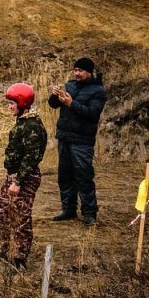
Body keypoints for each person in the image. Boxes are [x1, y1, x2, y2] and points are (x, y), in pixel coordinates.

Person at [0, 83, 47, 271]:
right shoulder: (23, 121)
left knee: (20, 219)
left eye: (12, 103)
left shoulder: (32, 126)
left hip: (24, 177)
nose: (9, 106)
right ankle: (0, 251)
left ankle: (20, 261)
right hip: (14, 176)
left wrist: (18, 182)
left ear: (22, 103)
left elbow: (32, 157)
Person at [48, 58, 107, 226]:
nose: (77, 73)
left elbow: (92, 114)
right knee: (65, 174)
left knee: (84, 176)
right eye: (75, 70)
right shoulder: (70, 85)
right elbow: (53, 105)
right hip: (65, 137)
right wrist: (55, 95)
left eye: (80, 71)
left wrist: (72, 104)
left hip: (82, 140)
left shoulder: (98, 91)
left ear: (89, 72)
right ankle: (68, 209)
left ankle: (89, 213)